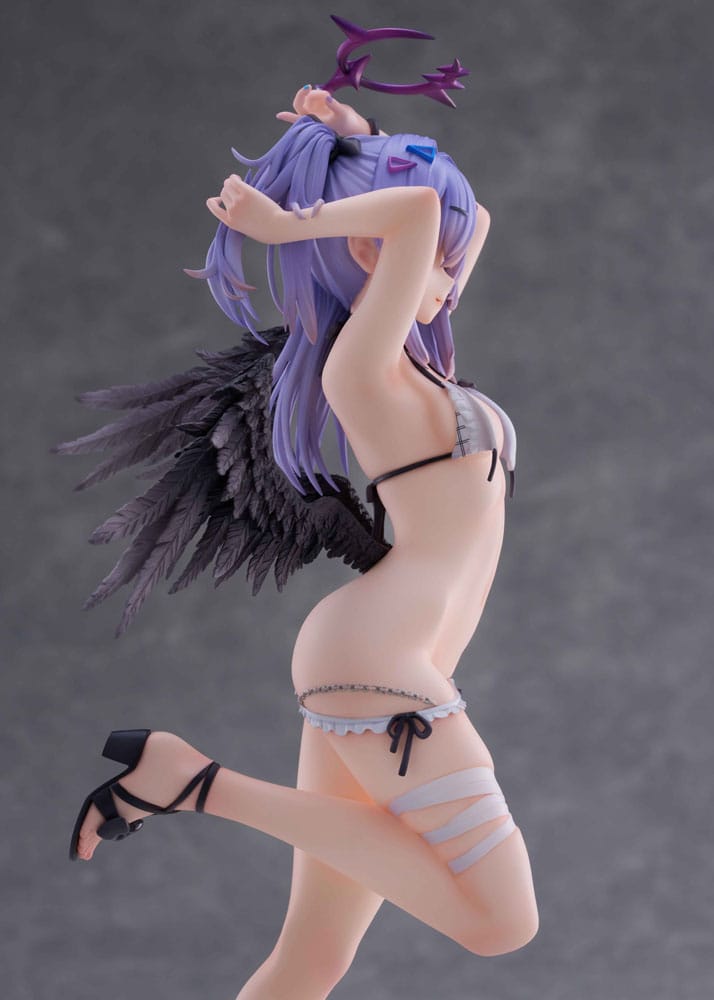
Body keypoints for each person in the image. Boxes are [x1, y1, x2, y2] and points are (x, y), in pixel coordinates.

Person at [68, 84, 539, 995]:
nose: (450, 272)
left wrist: (355, 143)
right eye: (436, 258)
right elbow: (417, 212)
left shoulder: (424, 358)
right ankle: (190, 780)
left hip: (380, 662)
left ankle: (185, 780)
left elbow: (461, 215)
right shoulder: (362, 368)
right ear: (370, 251)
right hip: (380, 663)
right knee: (500, 921)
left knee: (309, 962)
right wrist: (288, 226)